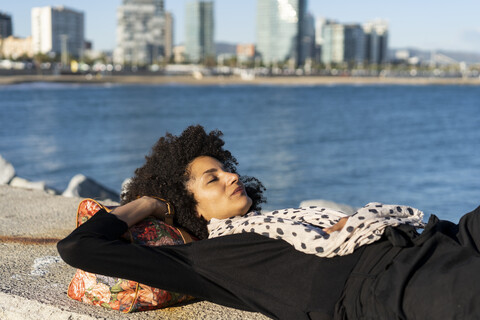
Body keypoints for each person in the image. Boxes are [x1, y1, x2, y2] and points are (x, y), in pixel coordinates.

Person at [58, 125, 480, 320]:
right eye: (213, 178)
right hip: (389, 287)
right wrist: (151, 203)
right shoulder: (202, 260)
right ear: (191, 206)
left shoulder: (280, 220)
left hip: (434, 240)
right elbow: (79, 247)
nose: (232, 176)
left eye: (226, 168)